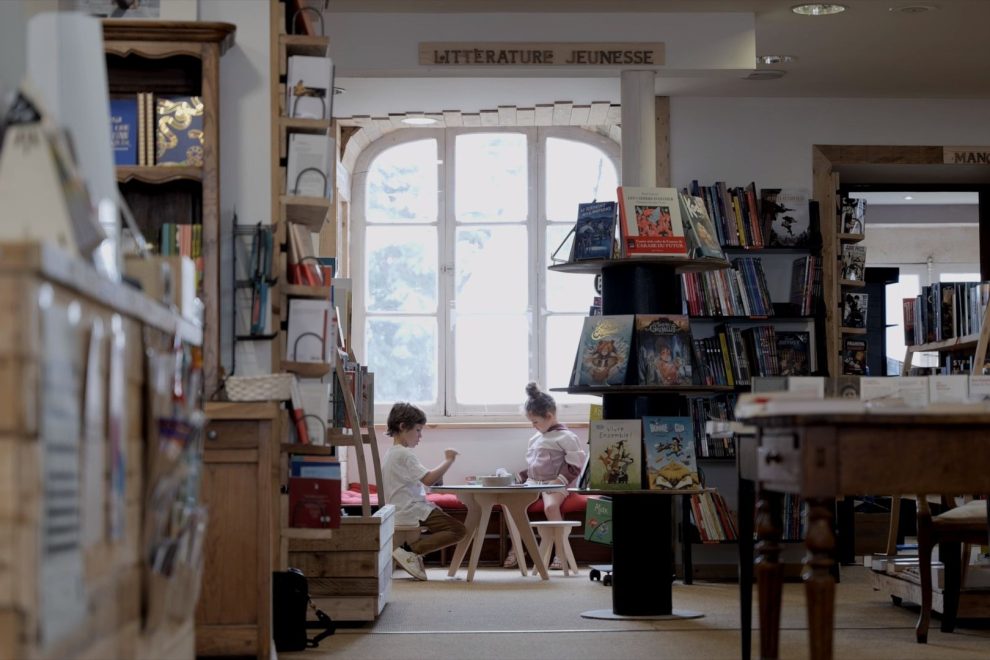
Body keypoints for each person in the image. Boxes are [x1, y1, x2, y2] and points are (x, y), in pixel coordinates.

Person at [503, 383, 588, 570]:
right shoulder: (536, 438)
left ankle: (560, 552)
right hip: (534, 482)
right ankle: (517, 548)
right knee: (512, 507)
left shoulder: (566, 437)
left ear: (549, 417)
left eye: (535, 422)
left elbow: (575, 465)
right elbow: (535, 467)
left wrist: (558, 481)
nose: (533, 426)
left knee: (551, 507)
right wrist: (517, 477)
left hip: (556, 483)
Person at [384, 402, 467, 581]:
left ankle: (410, 552)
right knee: (458, 530)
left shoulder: (391, 453)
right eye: (418, 430)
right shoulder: (404, 454)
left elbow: (414, 484)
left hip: (402, 507)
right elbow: (428, 479)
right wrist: (449, 460)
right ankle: (410, 552)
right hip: (409, 510)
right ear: (403, 426)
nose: (420, 436)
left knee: (444, 517)